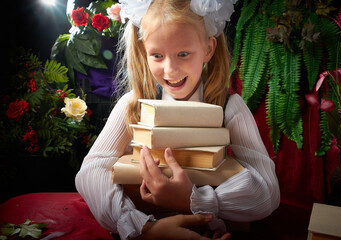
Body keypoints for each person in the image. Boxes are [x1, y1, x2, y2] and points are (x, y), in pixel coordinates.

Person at [75, 0, 280, 239]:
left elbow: (267, 191)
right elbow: (91, 171)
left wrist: (195, 200)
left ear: (208, 49)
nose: (170, 69)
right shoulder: (133, 105)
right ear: (144, 52)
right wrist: (142, 227)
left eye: (183, 54)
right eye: (157, 55)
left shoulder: (229, 108)